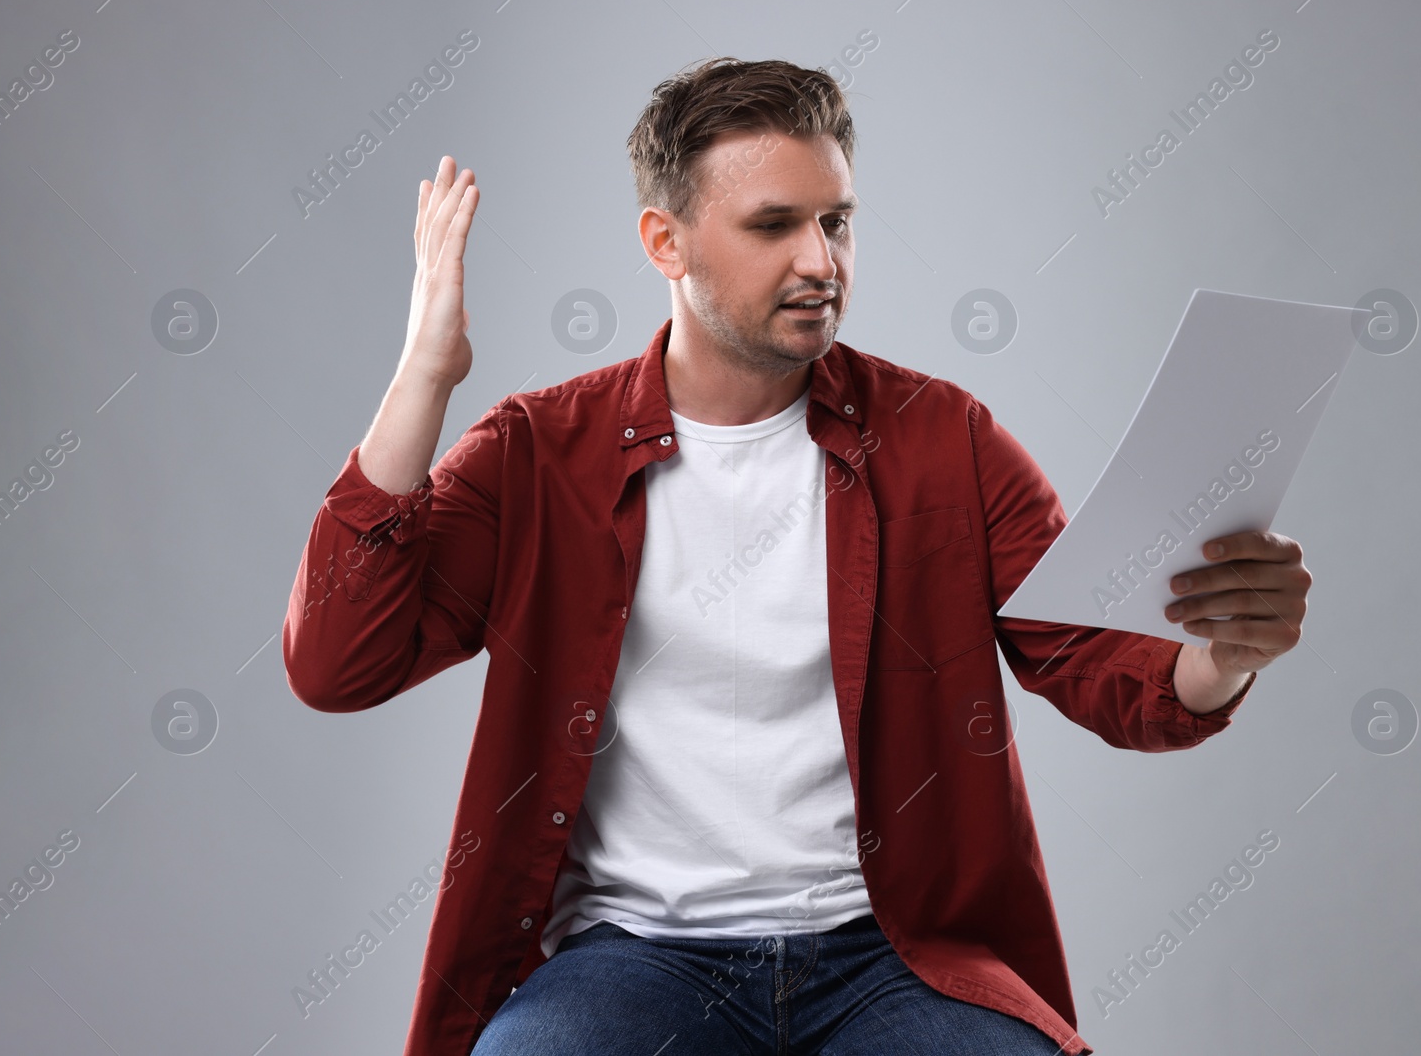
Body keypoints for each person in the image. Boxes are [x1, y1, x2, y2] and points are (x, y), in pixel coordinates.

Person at [282, 57, 1311, 1056]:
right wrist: (425, 374)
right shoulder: (540, 450)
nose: (821, 260)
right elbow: (337, 664)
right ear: (665, 241)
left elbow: (1100, 666)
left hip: (890, 958)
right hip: (633, 960)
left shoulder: (942, 437)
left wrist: (1223, 654)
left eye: (837, 221)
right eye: (773, 225)